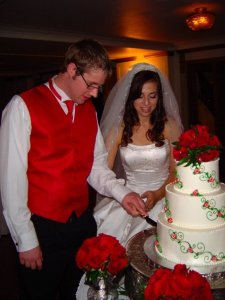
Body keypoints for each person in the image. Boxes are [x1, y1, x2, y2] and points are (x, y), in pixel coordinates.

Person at [0, 40, 147, 300]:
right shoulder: (22, 107)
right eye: (91, 84)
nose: (94, 93)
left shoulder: (88, 110)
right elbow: (11, 181)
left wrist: (122, 194)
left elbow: (96, 167)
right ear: (71, 70)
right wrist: (26, 239)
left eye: (99, 87)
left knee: (78, 292)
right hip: (41, 226)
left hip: (81, 225)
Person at [94, 63, 183, 246]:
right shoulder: (119, 129)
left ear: (159, 97)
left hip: (165, 197)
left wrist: (158, 195)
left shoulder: (170, 126)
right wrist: (124, 194)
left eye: (152, 96)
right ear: (130, 97)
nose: (146, 103)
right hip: (128, 199)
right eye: (140, 96)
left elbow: (177, 171)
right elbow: (102, 171)